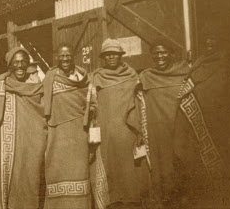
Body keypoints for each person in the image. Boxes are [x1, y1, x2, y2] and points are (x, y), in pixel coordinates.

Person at [174, 30, 230, 208]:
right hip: (199, 120)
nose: (210, 42)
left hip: (221, 120)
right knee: (200, 159)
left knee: (223, 157)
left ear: (220, 41)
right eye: (207, 39)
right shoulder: (197, 64)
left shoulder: (228, 63)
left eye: (214, 38)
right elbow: (185, 90)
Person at [0, 47, 46, 209]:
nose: (20, 65)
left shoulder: (36, 85)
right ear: (10, 65)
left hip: (34, 142)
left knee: (32, 179)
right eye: (16, 62)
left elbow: (44, 110)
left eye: (23, 62)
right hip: (9, 144)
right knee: (9, 179)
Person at [89, 39, 146, 209]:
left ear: (121, 55)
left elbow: (140, 103)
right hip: (105, 134)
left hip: (128, 132)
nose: (111, 56)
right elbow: (90, 105)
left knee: (130, 172)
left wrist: (140, 131)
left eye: (115, 53)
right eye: (107, 54)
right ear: (103, 58)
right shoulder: (95, 78)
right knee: (109, 172)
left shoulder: (132, 76)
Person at [136, 41, 190, 208]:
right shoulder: (145, 76)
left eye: (163, 52)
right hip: (157, 131)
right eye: (156, 53)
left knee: (183, 164)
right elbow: (138, 102)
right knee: (162, 169)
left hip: (180, 129)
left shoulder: (184, 73)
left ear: (171, 53)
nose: (159, 56)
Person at [42, 44, 91, 209]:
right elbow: (43, 104)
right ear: (57, 57)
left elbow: (91, 102)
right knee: (57, 171)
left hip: (79, 132)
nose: (65, 59)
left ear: (73, 56)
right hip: (58, 135)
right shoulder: (51, 78)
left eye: (68, 55)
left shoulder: (83, 77)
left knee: (80, 171)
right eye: (62, 56)